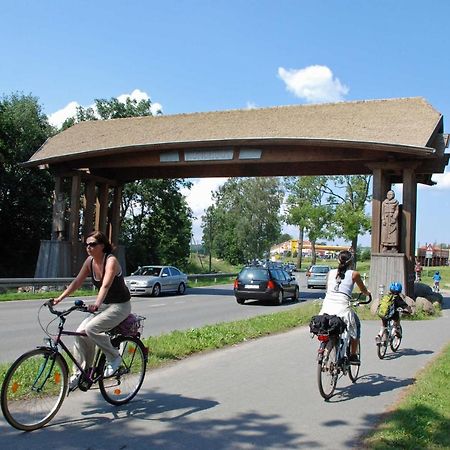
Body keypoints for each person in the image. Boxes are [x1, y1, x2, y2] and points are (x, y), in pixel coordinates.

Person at [53, 230, 131, 388]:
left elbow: (106, 285)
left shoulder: (111, 261)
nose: (88, 247)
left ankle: (114, 356)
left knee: (91, 328)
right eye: (86, 244)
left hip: (120, 305)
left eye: (92, 244)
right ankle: (82, 371)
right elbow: (77, 282)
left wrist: (96, 304)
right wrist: (59, 298)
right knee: (80, 333)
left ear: (102, 246)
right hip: (105, 305)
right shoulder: (89, 261)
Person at [319, 250, 371, 365]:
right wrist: (367, 293)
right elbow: (363, 290)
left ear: (338, 260)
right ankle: (353, 355)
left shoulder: (330, 273)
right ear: (351, 262)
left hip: (326, 308)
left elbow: (329, 289)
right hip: (342, 309)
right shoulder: (354, 274)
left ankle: (325, 351)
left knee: (328, 329)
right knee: (356, 326)